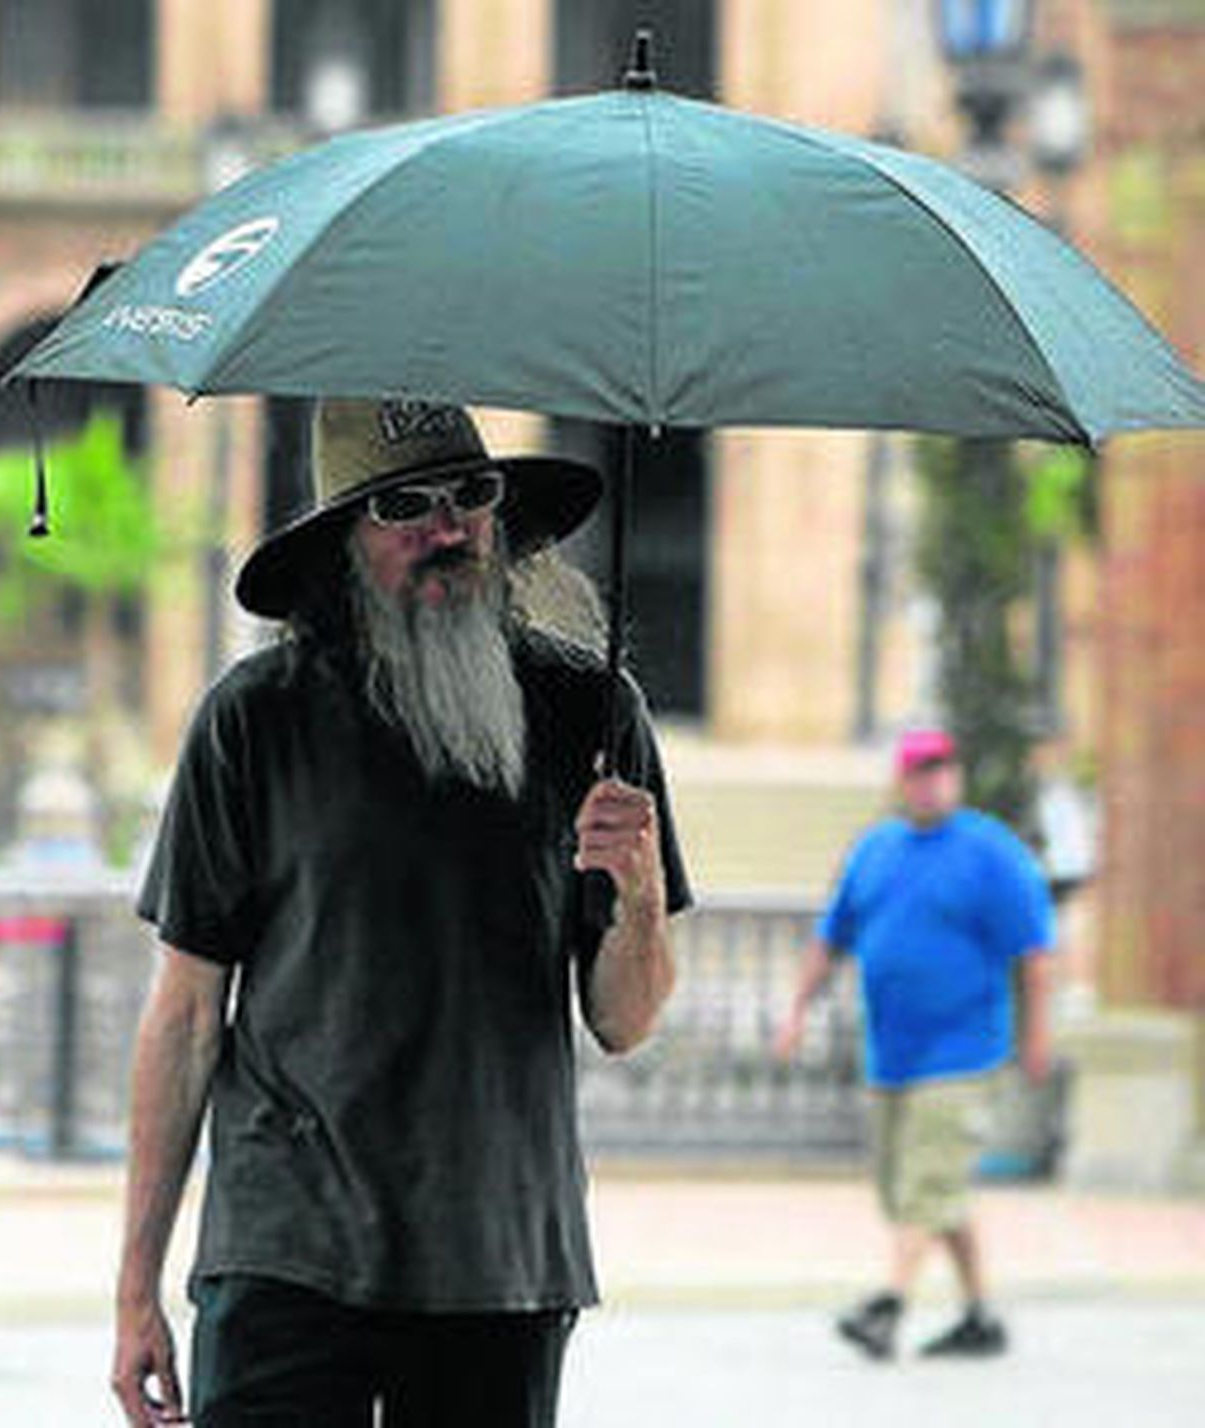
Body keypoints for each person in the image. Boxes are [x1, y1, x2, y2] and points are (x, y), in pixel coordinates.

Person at [111, 397, 691, 1426]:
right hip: (285, 1248)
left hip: (500, 1255)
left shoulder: (590, 715)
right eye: (402, 506)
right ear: (344, 544)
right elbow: (186, 1015)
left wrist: (638, 893)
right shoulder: (255, 719)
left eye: (470, 495)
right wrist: (134, 1290)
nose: (447, 528)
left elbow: (623, 1020)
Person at [774, 728, 1054, 1362]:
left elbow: (1035, 953)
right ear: (903, 782)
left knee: (929, 1179)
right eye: (921, 771)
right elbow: (831, 938)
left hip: (965, 1051)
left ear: (955, 776)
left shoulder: (991, 852)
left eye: (943, 769)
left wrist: (1037, 1035)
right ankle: (981, 1315)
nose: (933, 780)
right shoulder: (876, 851)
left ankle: (887, 1306)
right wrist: (795, 1010)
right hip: (892, 1051)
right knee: (918, 1191)